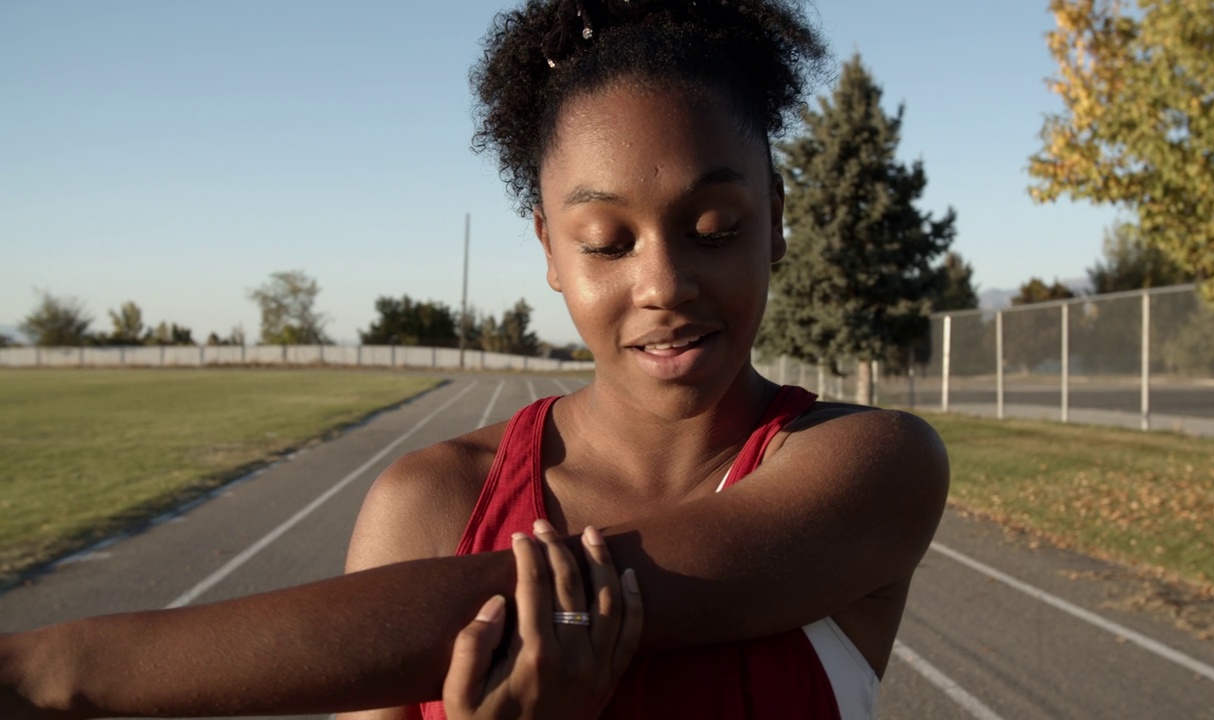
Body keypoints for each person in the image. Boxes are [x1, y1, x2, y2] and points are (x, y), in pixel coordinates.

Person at [0, 1, 949, 718]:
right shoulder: (430, 502)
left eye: (714, 227)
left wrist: (49, 673)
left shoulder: (872, 467)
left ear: (777, 221)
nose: (663, 281)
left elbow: (537, 596)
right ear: (547, 250)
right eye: (607, 242)